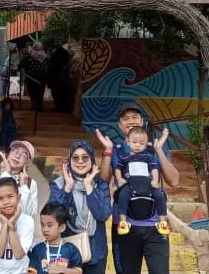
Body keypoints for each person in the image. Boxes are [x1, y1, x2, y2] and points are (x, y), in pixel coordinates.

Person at [96, 102, 177, 274]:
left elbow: (174, 181)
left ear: (142, 121)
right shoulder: (116, 150)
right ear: (120, 125)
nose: (130, 121)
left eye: (135, 117)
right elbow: (103, 182)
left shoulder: (155, 148)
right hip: (124, 226)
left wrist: (159, 151)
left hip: (156, 225)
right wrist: (108, 151)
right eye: (125, 118)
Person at [48, 141, 111, 274]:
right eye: (75, 158)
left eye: (85, 157)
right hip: (66, 252)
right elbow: (53, 217)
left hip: (96, 252)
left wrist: (89, 188)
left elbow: (103, 214)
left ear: (92, 160)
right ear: (69, 161)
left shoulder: (100, 185)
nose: (80, 161)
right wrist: (67, 189)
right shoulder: (58, 185)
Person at [113, 126, 170, 236]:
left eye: (141, 143)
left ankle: (163, 222)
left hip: (147, 184)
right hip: (130, 184)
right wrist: (119, 179)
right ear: (128, 142)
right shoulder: (124, 157)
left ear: (146, 144)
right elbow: (117, 168)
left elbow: (154, 169)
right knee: (122, 196)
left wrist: (155, 180)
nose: (137, 145)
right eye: (134, 142)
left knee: (160, 196)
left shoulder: (148, 156)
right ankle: (123, 222)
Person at [0, 177, 35, 274]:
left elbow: (18, 254)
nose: (6, 202)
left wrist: (11, 224)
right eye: (0, 198)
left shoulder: (28, 221)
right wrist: (4, 224)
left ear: (18, 198)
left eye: (10, 196)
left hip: (21, 271)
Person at [0, 140, 38, 217]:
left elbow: (30, 214)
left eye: (24, 154)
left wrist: (24, 187)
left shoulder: (31, 183)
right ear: (9, 153)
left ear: (27, 162)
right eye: (15, 150)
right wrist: (6, 173)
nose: (17, 156)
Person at [28, 202, 83, 274]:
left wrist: (63, 270)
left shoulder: (71, 249)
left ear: (62, 228)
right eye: (42, 225)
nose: (45, 229)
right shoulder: (37, 249)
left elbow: (79, 271)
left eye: (49, 225)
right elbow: (31, 271)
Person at [18, 42, 48, 112]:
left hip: (31, 78)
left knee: (32, 93)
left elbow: (21, 65)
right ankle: (38, 106)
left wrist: (23, 73)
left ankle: (34, 105)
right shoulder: (45, 57)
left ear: (34, 48)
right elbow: (48, 67)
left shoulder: (29, 57)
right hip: (41, 78)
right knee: (40, 93)